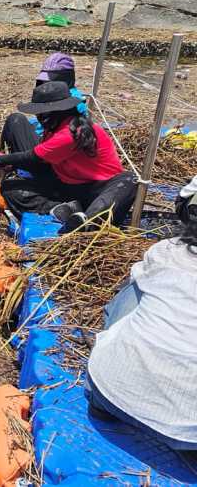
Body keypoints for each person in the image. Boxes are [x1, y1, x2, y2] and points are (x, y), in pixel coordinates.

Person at [84, 175, 197, 450]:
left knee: (135, 291)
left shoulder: (166, 251)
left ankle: (121, 359)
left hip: (105, 390)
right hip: (186, 435)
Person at [0, 80, 137, 233]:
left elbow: (33, 156)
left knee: (130, 180)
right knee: (10, 189)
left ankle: (88, 222)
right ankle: (62, 209)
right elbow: (42, 156)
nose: (39, 119)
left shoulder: (72, 132)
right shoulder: (54, 127)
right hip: (66, 184)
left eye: (42, 115)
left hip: (97, 188)